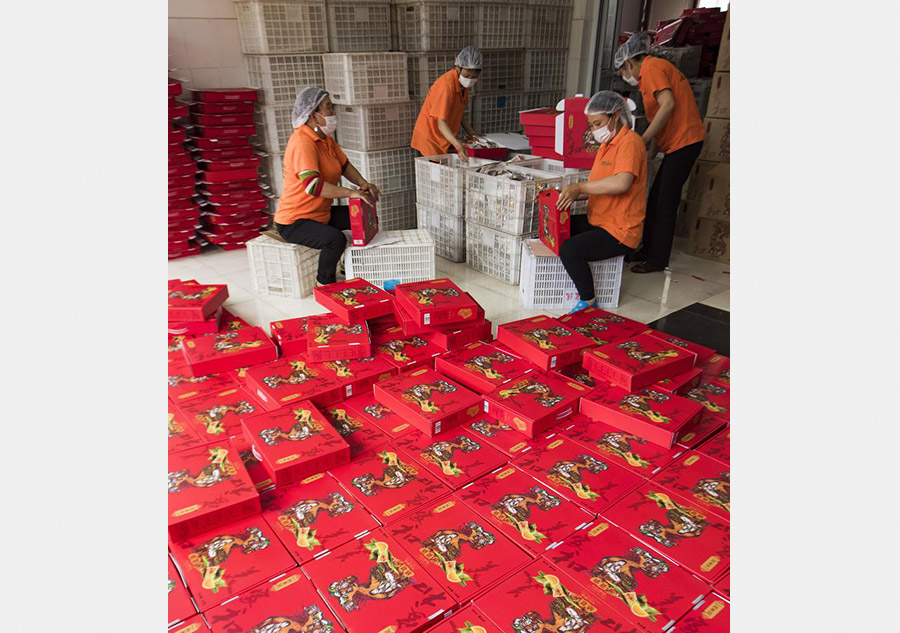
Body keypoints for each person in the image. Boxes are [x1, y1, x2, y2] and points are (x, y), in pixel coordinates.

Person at [615, 32, 706, 274]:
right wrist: (651, 152)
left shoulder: (652, 68)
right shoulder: (650, 73)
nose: (626, 77)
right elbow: (660, 119)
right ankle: (648, 250)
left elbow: (668, 105)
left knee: (665, 202)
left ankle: (657, 260)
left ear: (629, 63)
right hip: (676, 144)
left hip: (685, 142)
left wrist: (640, 140)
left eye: (624, 72)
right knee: (655, 199)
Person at [273, 87, 381, 286]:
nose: (333, 113)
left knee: (361, 216)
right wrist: (350, 192)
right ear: (313, 115)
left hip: (320, 212)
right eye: (328, 108)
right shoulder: (302, 142)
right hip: (296, 220)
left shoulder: (325, 140)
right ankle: (326, 283)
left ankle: (349, 266)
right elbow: (313, 186)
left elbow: (344, 166)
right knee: (335, 239)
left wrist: (363, 184)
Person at [556, 91, 647, 313]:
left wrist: (580, 188)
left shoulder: (630, 143)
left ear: (615, 116)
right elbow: (601, 186)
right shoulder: (608, 145)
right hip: (599, 219)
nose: (594, 130)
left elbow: (622, 183)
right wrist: (570, 193)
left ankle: (588, 301)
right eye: (592, 124)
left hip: (620, 230)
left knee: (570, 249)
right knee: (559, 226)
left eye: (598, 123)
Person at [411, 45, 483, 161]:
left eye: (474, 76)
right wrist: (458, 145)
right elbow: (441, 123)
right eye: (467, 75)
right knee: (434, 173)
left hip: (442, 138)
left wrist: (471, 132)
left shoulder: (462, 85)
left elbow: (459, 112)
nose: (470, 79)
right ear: (458, 68)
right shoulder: (446, 86)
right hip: (430, 138)